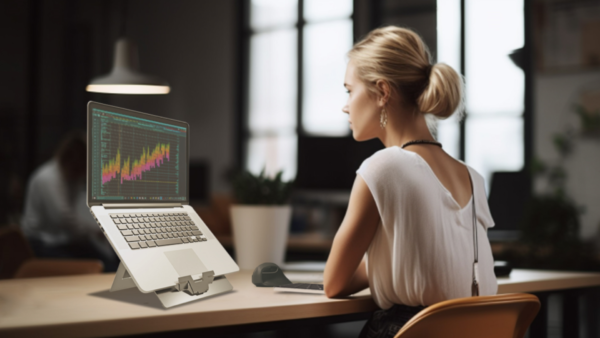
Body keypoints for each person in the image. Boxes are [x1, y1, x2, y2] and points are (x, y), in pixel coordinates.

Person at [323, 26, 497, 337]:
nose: (346, 105)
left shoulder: (383, 166)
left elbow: (333, 283)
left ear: (383, 92)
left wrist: (377, 262)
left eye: (350, 90)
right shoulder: (473, 178)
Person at [21, 131, 118, 271]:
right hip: (41, 242)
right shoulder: (48, 179)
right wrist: (94, 231)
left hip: (63, 239)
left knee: (106, 261)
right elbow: (63, 219)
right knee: (92, 266)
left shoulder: (71, 179)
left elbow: (71, 217)